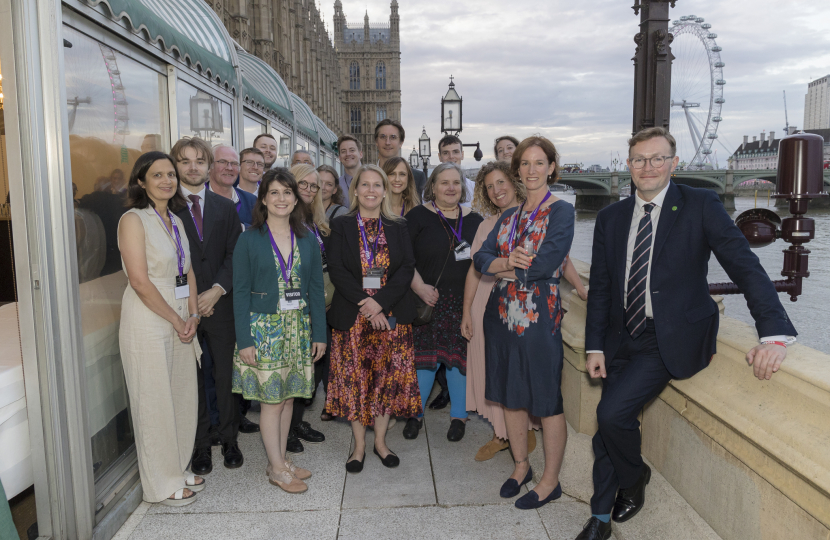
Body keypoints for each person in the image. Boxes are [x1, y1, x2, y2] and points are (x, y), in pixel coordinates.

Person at [575, 127, 797, 540]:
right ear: (628, 167)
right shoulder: (610, 218)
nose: (648, 166)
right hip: (619, 336)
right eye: (639, 159)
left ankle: (635, 476)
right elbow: (602, 287)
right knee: (611, 426)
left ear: (674, 164)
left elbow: (744, 266)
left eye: (658, 158)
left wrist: (774, 333)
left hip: (667, 336)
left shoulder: (700, 204)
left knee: (611, 415)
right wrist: (593, 345)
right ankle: (600, 516)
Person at [474, 136, 575, 511]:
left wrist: (504, 265)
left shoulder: (560, 213)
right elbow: (480, 260)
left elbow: (547, 263)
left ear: (551, 167)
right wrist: (506, 263)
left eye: (539, 163)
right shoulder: (507, 217)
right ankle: (521, 467)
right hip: (499, 317)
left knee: (547, 400)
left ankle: (550, 481)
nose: (531, 171)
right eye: (525, 164)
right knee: (510, 395)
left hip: (539, 319)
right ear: (517, 170)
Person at [463, 161, 588, 462]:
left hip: (535, 313)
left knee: (542, 395)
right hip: (494, 305)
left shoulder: (554, 213)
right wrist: (469, 308)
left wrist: (582, 289)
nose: (497, 190)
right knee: (503, 386)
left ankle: (543, 466)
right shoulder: (495, 222)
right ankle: (507, 445)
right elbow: (478, 263)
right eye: (490, 186)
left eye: (501, 182)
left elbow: (554, 262)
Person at [232, 168, 327, 494]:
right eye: (274, 192)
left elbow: (316, 288)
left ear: (296, 197)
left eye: (287, 192)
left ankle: (283, 458)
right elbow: (240, 292)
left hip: (298, 328)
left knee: (287, 399)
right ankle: (275, 468)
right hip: (264, 332)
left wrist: (320, 334)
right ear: (263, 198)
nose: (282, 198)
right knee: (272, 402)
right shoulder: (248, 239)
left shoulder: (307, 239)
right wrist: (244, 339)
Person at [117, 151, 203, 506]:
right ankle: (160, 484)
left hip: (182, 313)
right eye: (158, 175)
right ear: (141, 181)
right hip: (149, 316)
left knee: (182, 396)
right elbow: (139, 281)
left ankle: (178, 467)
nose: (168, 180)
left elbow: (189, 272)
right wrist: (176, 318)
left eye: (171, 174)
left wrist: (194, 315)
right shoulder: (133, 220)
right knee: (153, 401)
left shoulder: (176, 220)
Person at [325, 165, 422, 473]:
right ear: (355, 191)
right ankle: (359, 446)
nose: (370, 190)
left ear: (384, 190)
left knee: (385, 381)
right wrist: (365, 303)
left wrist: (379, 303)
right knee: (356, 382)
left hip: (390, 316)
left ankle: (380, 442)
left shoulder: (398, 225)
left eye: (376, 185)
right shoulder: (340, 225)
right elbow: (337, 269)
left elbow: (407, 268)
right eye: (364, 184)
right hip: (353, 317)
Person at [170, 137, 248, 476]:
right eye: (185, 161)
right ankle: (200, 444)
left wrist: (215, 291)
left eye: (199, 161)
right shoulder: (165, 209)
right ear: (176, 165)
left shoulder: (225, 208)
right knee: (194, 378)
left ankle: (229, 438)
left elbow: (235, 255)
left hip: (221, 304)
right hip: (184, 308)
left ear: (209, 167)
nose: (193, 167)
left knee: (224, 376)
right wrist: (194, 302)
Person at [403, 161, 483, 442]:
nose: (451, 187)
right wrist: (420, 287)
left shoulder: (475, 220)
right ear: (433, 187)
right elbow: (404, 260)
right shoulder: (416, 217)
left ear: (462, 187)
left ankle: (459, 417)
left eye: (456, 182)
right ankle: (415, 414)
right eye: (444, 182)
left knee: (458, 363)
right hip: (428, 301)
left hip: (463, 304)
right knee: (424, 362)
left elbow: (484, 262)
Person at [284, 164, 330, 451]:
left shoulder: (315, 221)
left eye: (315, 186)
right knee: (293, 368)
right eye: (305, 184)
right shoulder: (285, 221)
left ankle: (297, 421)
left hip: (318, 300)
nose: (310, 190)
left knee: (309, 366)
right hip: (293, 305)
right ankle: (286, 429)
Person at [209, 145, 257, 229]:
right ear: (210, 165)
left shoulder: (252, 201)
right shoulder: (198, 200)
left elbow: (261, 233)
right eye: (223, 162)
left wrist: (240, 227)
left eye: (234, 163)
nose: (229, 168)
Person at [375, 119, 426, 195]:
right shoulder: (366, 175)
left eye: (393, 137)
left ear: (401, 142)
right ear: (376, 141)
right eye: (383, 137)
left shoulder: (417, 177)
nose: (387, 142)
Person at [438, 134, 476, 199]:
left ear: (462, 155)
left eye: (455, 152)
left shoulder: (474, 189)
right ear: (440, 157)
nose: (451, 157)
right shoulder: (431, 190)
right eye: (446, 153)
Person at [337, 134, 364, 204]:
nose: (348, 154)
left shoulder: (375, 180)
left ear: (360, 154)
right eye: (343, 151)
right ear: (340, 157)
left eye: (352, 150)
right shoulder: (336, 185)